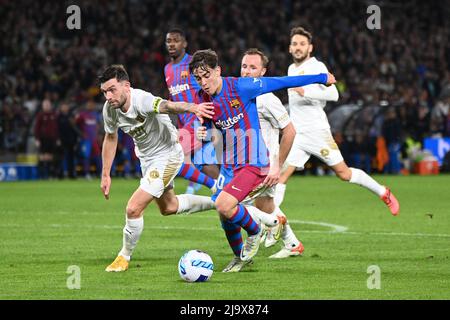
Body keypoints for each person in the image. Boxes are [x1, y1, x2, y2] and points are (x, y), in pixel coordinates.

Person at [189, 49, 335, 262]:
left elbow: (283, 82)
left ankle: (266, 226)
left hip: (255, 163)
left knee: (225, 204)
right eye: (198, 78)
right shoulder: (203, 98)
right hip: (232, 165)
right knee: (226, 212)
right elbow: (212, 129)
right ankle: (254, 250)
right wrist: (201, 131)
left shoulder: (243, 87)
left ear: (218, 71)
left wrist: (322, 77)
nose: (203, 82)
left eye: (206, 75)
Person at [99, 64, 216, 272]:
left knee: (133, 208)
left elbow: (167, 106)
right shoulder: (110, 109)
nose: (108, 96)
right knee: (168, 207)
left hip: (169, 155)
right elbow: (110, 137)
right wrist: (106, 174)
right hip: (148, 160)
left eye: (112, 89)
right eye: (105, 92)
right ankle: (219, 202)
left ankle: (123, 256)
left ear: (126, 86)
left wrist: (192, 107)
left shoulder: (141, 99)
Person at [274, 27, 400, 215]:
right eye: (294, 44)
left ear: (310, 48)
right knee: (280, 177)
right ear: (290, 49)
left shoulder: (317, 66)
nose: (298, 47)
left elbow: (333, 94)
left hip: (317, 131)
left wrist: (305, 91)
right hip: (296, 134)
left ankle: (383, 192)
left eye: (302, 44)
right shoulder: (291, 69)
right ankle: (271, 222)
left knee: (344, 174)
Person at [200, 48, 305, 272]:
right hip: (240, 165)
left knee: (229, 206)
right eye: (244, 66)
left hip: (261, 165)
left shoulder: (266, 97)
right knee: (262, 206)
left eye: (253, 68)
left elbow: (290, 131)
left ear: (263, 72)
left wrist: (277, 166)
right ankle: (291, 242)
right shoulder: (234, 93)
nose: (247, 72)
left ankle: (252, 245)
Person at [164, 28, 219, 194]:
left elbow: (210, 87)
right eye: (168, 41)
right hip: (184, 122)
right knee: (204, 162)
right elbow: (174, 97)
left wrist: (214, 120)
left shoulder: (193, 64)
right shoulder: (167, 69)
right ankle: (228, 192)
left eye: (176, 40)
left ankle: (178, 191)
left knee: (173, 155)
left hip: (198, 119)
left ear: (184, 44)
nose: (172, 44)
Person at [34, 99, 59, 179]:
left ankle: (50, 175)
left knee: (51, 157)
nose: (47, 106)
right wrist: (37, 139)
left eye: (48, 105)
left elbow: (56, 128)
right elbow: (36, 128)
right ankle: (41, 175)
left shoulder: (54, 115)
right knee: (43, 157)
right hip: (43, 139)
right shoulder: (40, 115)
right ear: (43, 106)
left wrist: (57, 138)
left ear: (50, 106)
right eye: (45, 105)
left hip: (52, 139)